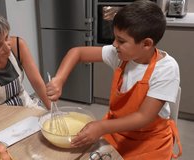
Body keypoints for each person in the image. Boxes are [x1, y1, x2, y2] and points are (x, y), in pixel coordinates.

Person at [46, 1, 182, 159]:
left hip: (150, 141)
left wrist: (102, 127)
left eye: (121, 41)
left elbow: (143, 117)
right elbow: (77, 53)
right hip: (118, 132)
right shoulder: (120, 55)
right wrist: (59, 79)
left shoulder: (166, 69)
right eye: (115, 38)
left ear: (146, 44)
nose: (114, 44)